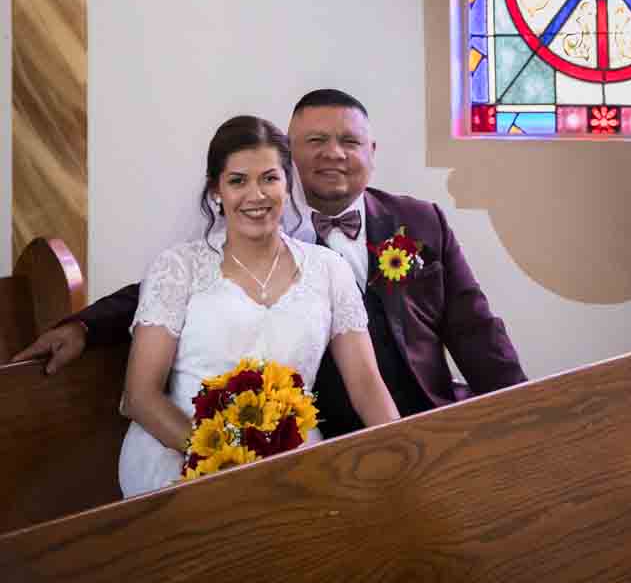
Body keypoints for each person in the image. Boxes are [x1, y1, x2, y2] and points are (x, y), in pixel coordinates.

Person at [19, 89, 527, 436]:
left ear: (371, 151)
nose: (334, 154)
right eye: (315, 142)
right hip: (317, 428)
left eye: (349, 141)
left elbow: (476, 328)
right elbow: (173, 283)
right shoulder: (261, 221)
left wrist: (524, 410)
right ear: (291, 158)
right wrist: (85, 324)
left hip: (418, 416)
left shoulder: (421, 221)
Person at [118, 115, 399, 496]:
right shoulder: (178, 268)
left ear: (288, 184)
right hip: (182, 457)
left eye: (269, 178)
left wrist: (403, 456)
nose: (256, 195)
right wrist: (223, 461)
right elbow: (140, 397)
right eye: (238, 181)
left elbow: (366, 386)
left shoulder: (328, 269)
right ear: (216, 190)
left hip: (291, 460)